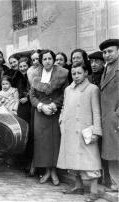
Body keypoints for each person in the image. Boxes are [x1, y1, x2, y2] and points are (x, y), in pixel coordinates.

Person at [58, 62, 102, 202]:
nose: (76, 76)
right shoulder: (68, 90)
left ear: (86, 73)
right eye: (73, 73)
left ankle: (94, 190)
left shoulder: (92, 89)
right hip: (69, 129)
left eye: (79, 73)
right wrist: (61, 120)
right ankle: (78, 186)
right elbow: (64, 107)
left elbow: (96, 111)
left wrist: (96, 131)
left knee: (90, 159)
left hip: (85, 130)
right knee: (72, 158)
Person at [29, 49, 68, 186]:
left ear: (53, 60)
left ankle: (54, 172)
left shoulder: (62, 74)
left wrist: (53, 105)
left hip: (54, 110)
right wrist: (40, 106)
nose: (47, 61)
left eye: (50, 59)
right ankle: (46, 171)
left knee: (55, 142)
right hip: (40, 112)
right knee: (42, 143)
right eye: (44, 59)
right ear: (41, 61)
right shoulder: (36, 75)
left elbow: (65, 93)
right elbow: (32, 96)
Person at [99, 39, 119, 192]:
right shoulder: (107, 68)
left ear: (118, 51)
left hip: (115, 117)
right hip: (108, 118)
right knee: (112, 152)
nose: (106, 55)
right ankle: (116, 183)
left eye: (110, 51)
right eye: (104, 52)